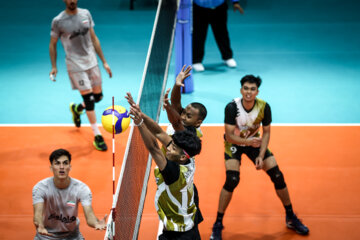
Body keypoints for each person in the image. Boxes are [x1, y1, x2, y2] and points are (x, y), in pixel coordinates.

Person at [210, 75, 309, 239]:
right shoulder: (231, 107)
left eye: (252, 89)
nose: (249, 92)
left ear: (257, 91)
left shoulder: (264, 107)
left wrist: (261, 155)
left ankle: (290, 217)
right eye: (246, 88)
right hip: (234, 144)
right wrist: (248, 143)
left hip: (254, 144)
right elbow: (229, 137)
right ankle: (218, 223)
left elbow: (267, 132)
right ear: (241, 90)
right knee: (232, 179)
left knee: (277, 175)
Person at [126, 92, 202, 240]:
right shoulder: (186, 157)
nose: (168, 148)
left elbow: (154, 147)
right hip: (187, 221)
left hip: (180, 234)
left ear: (181, 156)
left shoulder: (173, 173)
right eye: (171, 145)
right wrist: (141, 114)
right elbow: (159, 133)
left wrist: (140, 123)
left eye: (172, 148)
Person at [49, 0, 112, 151]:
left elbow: (94, 38)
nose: (72, 1)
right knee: (89, 99)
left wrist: (104, 62)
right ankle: (97, 135)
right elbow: (53, 44)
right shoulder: (58, 21)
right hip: (75, 64)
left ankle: (77, 109)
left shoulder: (86, 14)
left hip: (91, 61)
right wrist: (54, 66)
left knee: (98, 97)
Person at [32, 149, 107, 239]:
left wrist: (96, 223)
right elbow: (37, 214)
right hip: (46, 235)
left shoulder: (81, 188)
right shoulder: (41, 187)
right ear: (51, 168)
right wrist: (39, 225)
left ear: (70, 167)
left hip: (72, 236)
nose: (62, 167)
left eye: (65, 163)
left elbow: (89, 214)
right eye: (57, 163)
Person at [192, 0, 244, 72]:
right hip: (199, 8)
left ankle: (227, 57)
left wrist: (235, 2)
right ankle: (196, 60)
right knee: (198, 35)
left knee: (222, 33)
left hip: (219, 7)